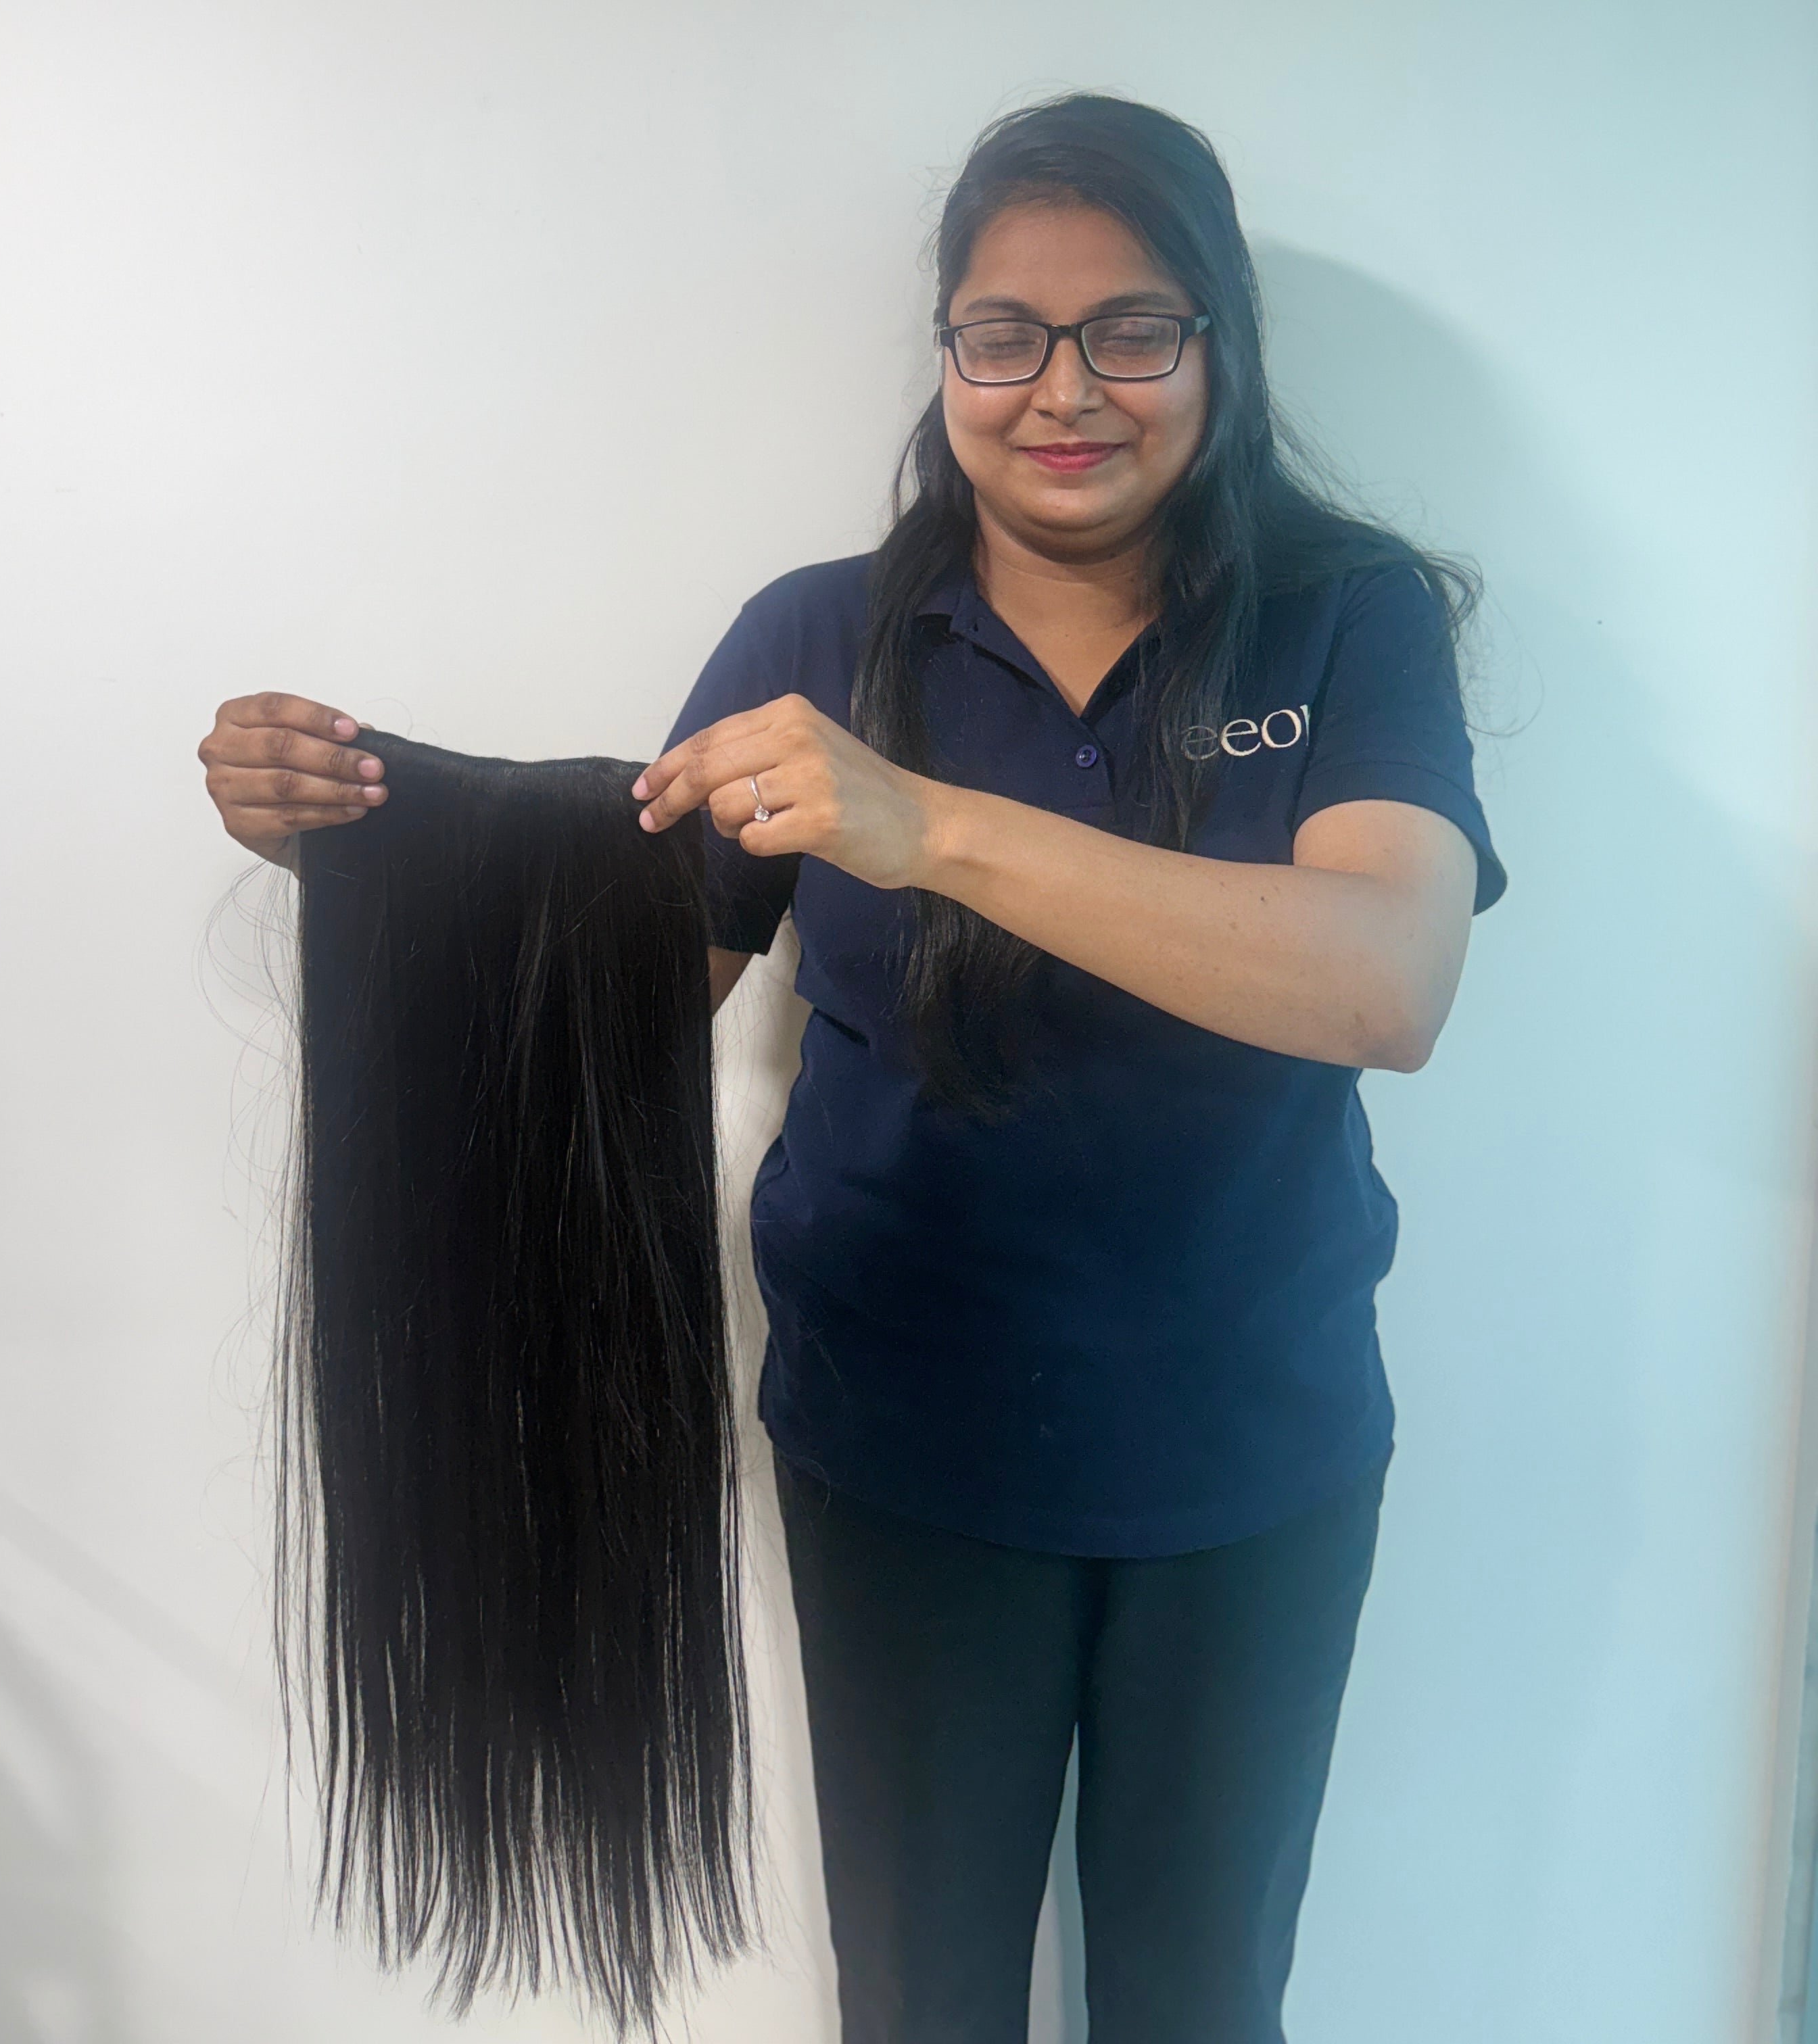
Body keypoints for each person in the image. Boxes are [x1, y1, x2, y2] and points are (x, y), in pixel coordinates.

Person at [197, 91, 1504, 2044]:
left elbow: (1388, 982)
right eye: (1005, 334)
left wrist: (926, 827)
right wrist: (353, 846)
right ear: (949, 356)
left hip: (1256, 1457)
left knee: (1203, 2001)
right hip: (907, 1458)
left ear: (1216, 345)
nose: (1065, 389)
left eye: (1132, 329)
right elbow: (611, 1014)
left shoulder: (1350, 618)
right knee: (918, 1999)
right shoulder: (815, 636)